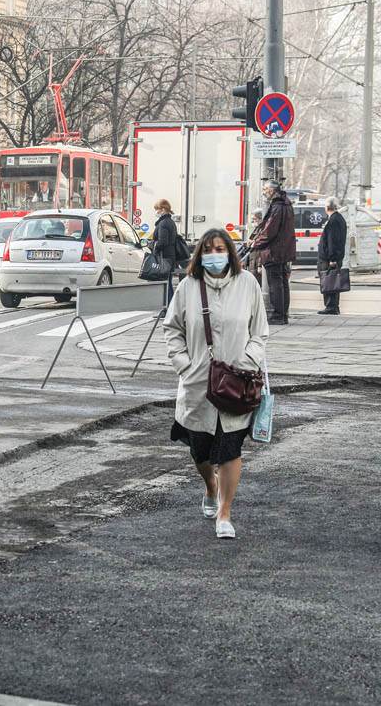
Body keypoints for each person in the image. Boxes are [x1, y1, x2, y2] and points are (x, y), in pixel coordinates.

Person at [163, 228, 268, 540]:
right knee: (201, 451)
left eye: (220, 248)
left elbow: (259, 331)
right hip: (198, 383)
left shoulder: (247, 284)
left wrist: (248, 360)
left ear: (230, 252)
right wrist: (184, 364)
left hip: (237, 382)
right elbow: (172, 329)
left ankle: (225, 511)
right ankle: (210, 487)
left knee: (231, 448)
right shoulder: (188, 287)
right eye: (208, 249)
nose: (214, 255)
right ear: (200, 254)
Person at [250, 180, 296, 325]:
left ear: (271, 190)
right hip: (283, 250)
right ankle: (283, 314)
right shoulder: (286, 204)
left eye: (265, 189)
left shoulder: (277, 206)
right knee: (282, 282)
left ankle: (278, 315)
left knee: (275, 284)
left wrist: (255, 243)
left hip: (274, 251)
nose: (264, 192)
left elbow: (270, 230)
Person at [317, 196, 347, 315]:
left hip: (329, 259)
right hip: (332, 257)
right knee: (333, 281)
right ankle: (333, 306)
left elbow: (332, 241)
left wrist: (332, 259)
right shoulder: (338, 218)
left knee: (329, 281)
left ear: (328, 207)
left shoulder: (333, 220)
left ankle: (331, 307)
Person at [151, 199, 184, 305]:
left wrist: (153, 247)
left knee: (165, 283)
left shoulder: (163, 223)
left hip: (164, 257)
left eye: (157, 209)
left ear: (163, 209)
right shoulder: (170, 222)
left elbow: (162, 242)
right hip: (170, 257)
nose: (156, 212)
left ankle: (168, 307)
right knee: (167, 282)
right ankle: (170, 307)